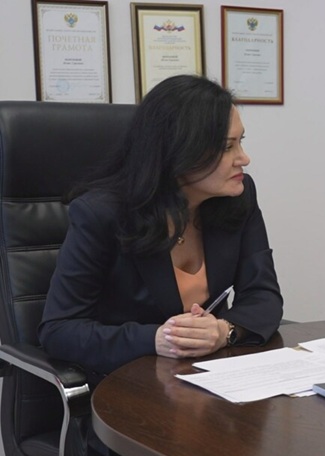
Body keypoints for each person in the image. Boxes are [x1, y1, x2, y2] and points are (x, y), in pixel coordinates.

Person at [39, 74, 283, 385]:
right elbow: (58, 330)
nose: (244, 159)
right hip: (127, 387)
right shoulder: (101, 214)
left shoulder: (238, 196)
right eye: (227, 147)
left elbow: (263, 295)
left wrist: (225, 330)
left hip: (211, 381)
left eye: (241, 142)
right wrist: (155, 339)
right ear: (180, 152)